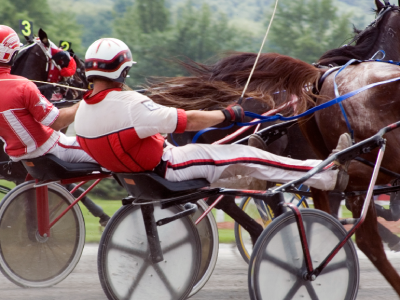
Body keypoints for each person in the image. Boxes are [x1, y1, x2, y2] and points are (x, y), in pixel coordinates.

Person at [74, 38, 351, 192]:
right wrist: (229, 114)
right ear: (124, 71)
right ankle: (325, 174)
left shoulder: (83, 112)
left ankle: (252, 178)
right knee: (248, 155)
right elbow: (188, 120)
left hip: (141, 173)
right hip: (168, 169)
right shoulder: (131, 104)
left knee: (229, 159)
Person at [0, 25, 94, 164]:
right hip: (48, 148)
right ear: (13, 54)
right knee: (107, 152)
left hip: (18, 153)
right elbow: (56, 122)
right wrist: (88, 99)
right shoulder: (23, 86)